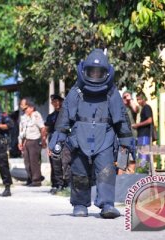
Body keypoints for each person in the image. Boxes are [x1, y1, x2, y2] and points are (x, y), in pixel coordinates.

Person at [49, 49, 134, 218]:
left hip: (106, 137)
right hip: (79, 137)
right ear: (84, 71)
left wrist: (126, 143)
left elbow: (122, 119)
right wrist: (58, 140)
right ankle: (80, 204)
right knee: (79, 171)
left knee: (106, 171)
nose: (95, 75)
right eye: (92, 71)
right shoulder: (76, 91)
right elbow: (64, 117)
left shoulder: (112, 92)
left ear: (106, 72)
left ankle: (107, 204)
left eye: (99, 72)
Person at [18, 100, 47, 187]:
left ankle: (36, 180)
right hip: (26, 141)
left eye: (27, 108)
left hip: (35, 140)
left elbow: (42, 128)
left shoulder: (36, 115)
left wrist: (43, 140)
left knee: (34, 161)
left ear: (32, 108)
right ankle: (30, 178)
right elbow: (22, 131)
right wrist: (20, 142)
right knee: (27, 162)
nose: (25, 110)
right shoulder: (24, 117)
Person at [45, 94, 66, 194]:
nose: (56, 103)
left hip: (64, 139)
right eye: (54, 102)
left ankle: (67, 184)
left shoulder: (67, 114)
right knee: (54, 163)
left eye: (58, 101)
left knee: (66, 163)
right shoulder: (51, 116)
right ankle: (56, 184)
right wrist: (44, 142)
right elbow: (47, 129)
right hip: (54, 140)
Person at [119, 90, 139, 174]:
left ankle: (130, 182)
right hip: (123, 138)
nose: (125, 99)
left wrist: (130, 99)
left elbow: (136, 109)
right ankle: (120, 182)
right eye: (124, 97)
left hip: (133, 137)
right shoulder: (120, 107)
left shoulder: (132, 106)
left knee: (132, 160)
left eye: (127, 97)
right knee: (121, 162)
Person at [132, 91, 154, 167]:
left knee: (144, 157)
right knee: (141, 155)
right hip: (142, 135)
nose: (138, 101)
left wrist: (137, 125)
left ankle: (143, 173)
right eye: (137, 100)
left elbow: (149, 120)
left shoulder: (147, 107)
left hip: (145, 135)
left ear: (144, 98)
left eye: (140, 99)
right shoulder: (143, 108)